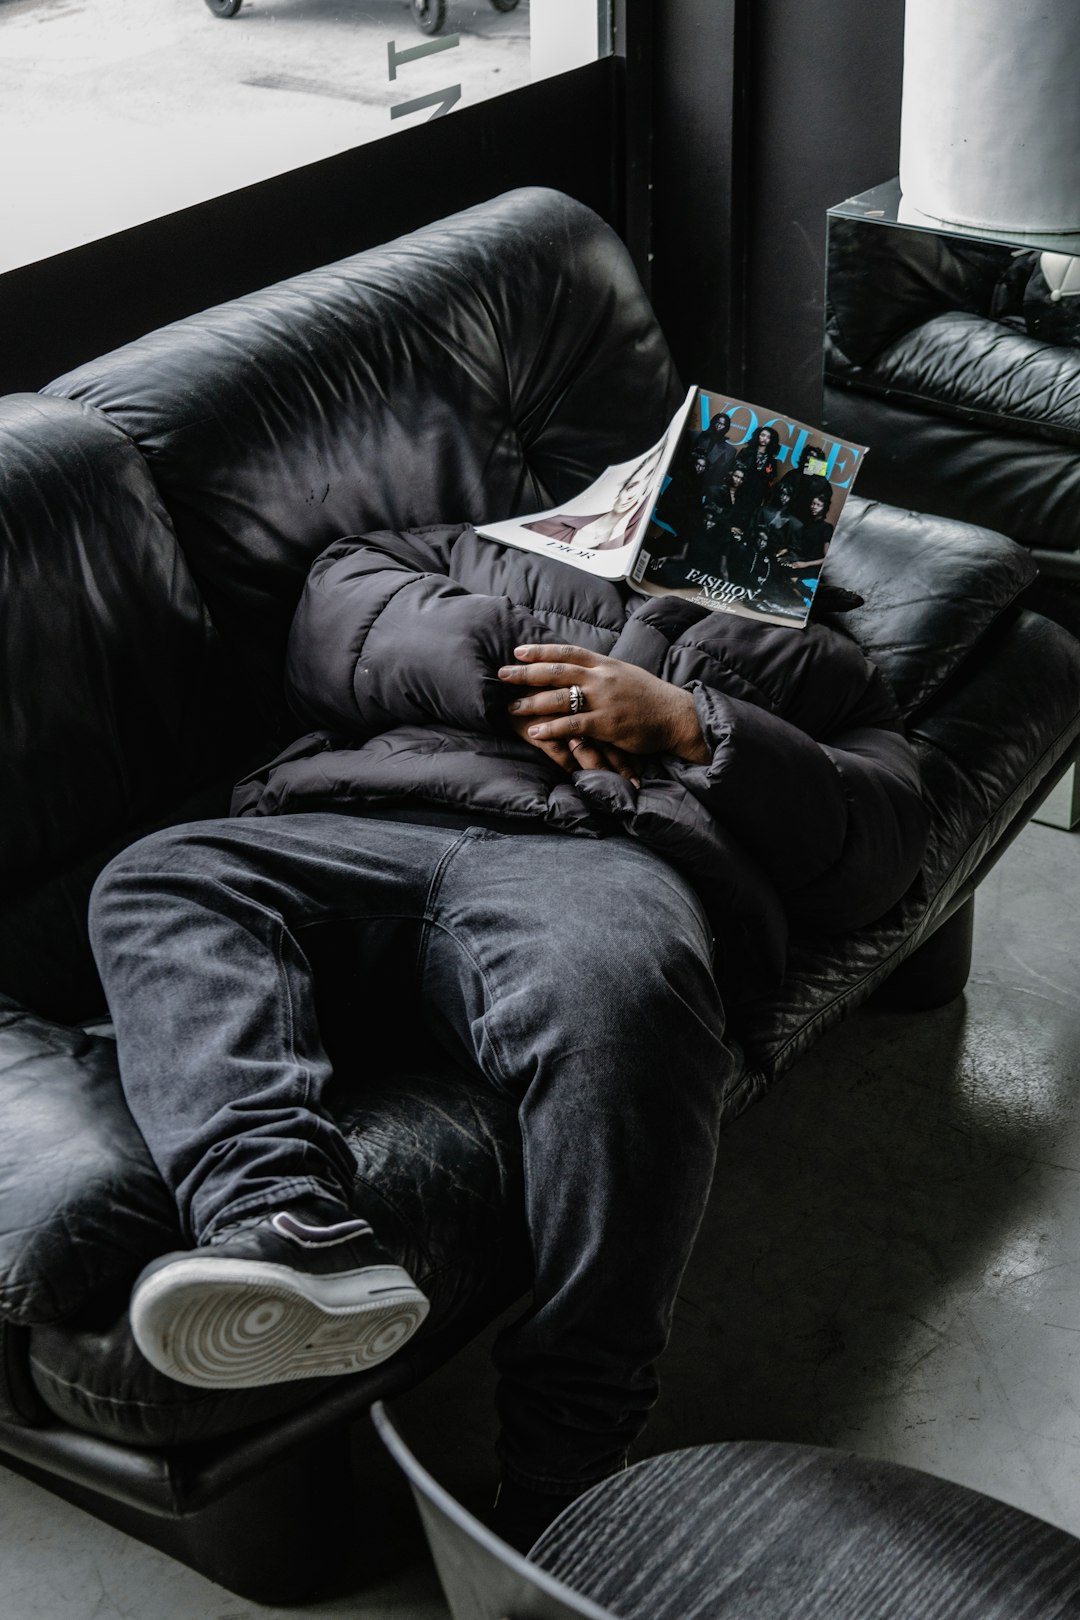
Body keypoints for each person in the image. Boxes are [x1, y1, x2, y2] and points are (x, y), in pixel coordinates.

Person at [88, 520, 929, 1553]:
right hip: (362, 815)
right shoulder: (477, 545)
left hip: (595, 863)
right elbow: (338, 618)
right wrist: (540, 678)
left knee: (630, 993)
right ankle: (282, 1225)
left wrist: (688, 723)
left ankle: (567, 1453)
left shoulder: (822, 658)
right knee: (160, 878)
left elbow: (879, 847)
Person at [523, 444, 665, 550]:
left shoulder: (624, 539)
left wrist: (620, 527)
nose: (630, 497)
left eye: (641, 492)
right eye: (631, 486)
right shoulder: (557, 523)